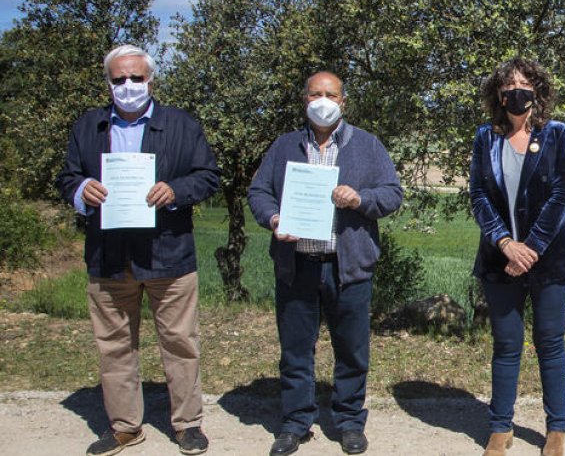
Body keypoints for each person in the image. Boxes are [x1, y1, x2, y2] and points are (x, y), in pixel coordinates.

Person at [55, 45, 220, 456]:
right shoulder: (88, 127)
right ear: (107, 82)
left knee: (180, 341)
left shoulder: (181, 125)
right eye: (118, 79)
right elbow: (66, 177)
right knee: (114, 345)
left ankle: (188, 425)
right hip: (109, 256)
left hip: (169, 254)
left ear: (151, 80)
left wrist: (176, 190)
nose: (127, 86)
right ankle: (126, 426)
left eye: (136, 78)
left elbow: (207, 176)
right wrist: (80, 190)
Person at [248, 72, 403, 456]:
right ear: (304, 100)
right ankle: (295, 421)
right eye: (315, 94)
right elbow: (258, 192)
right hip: (296, 264)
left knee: (351, 349)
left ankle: (349, 421)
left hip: (347, 265)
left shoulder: (367, 145)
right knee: (296, 350)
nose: (322, 100)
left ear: (343, 102)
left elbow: (392, 194)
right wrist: (273, 219)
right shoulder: (285, 146)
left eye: (330, 94)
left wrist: (360, 199)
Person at [469, 58, 565, 456]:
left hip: (549, 260)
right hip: (499, 260)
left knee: (550, 342)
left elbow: (562, 194)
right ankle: (500, 427)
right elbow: (478, 196)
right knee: (506, 344)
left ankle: (556, 429)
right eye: (509, 84)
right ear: (498, 94)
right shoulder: (485, 138)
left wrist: (529, 248)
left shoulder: (557, 134)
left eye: (524, 83)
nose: (517, 90)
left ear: (538, 90)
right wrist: (505, 243)